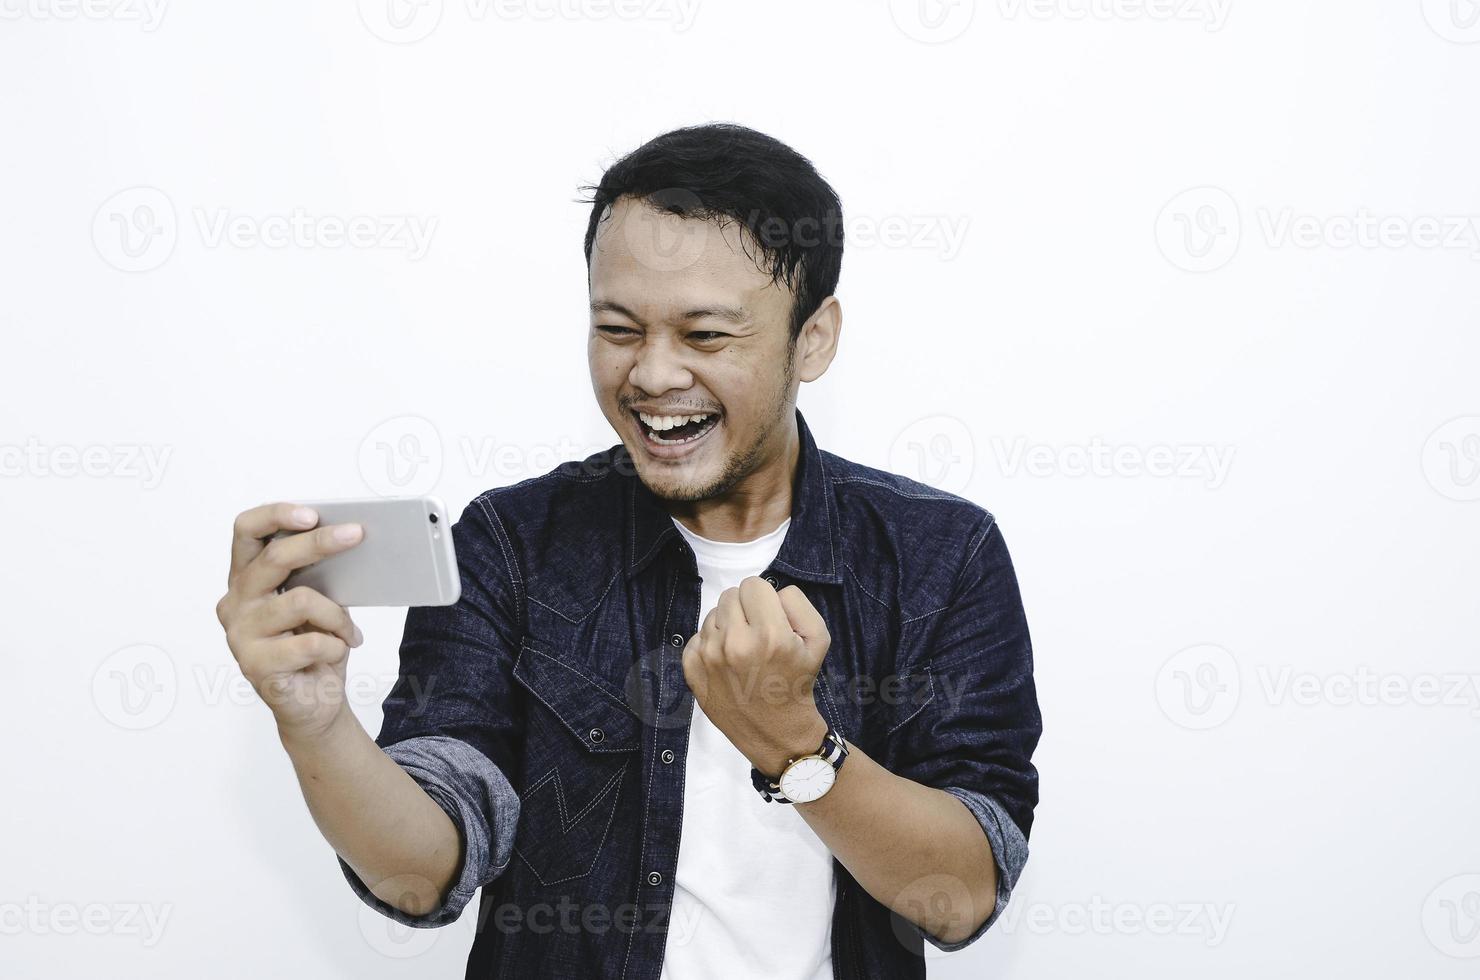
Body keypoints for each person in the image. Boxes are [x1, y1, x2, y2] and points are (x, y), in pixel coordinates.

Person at [214, 122, 1042, 979]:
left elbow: (963, 896)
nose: (651, 375)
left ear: (813, 339)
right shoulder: (512, 543)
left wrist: (798, 749)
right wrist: (315, 724)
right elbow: (422, 878)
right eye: (617, 328)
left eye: (706, 337)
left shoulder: (942, 555)